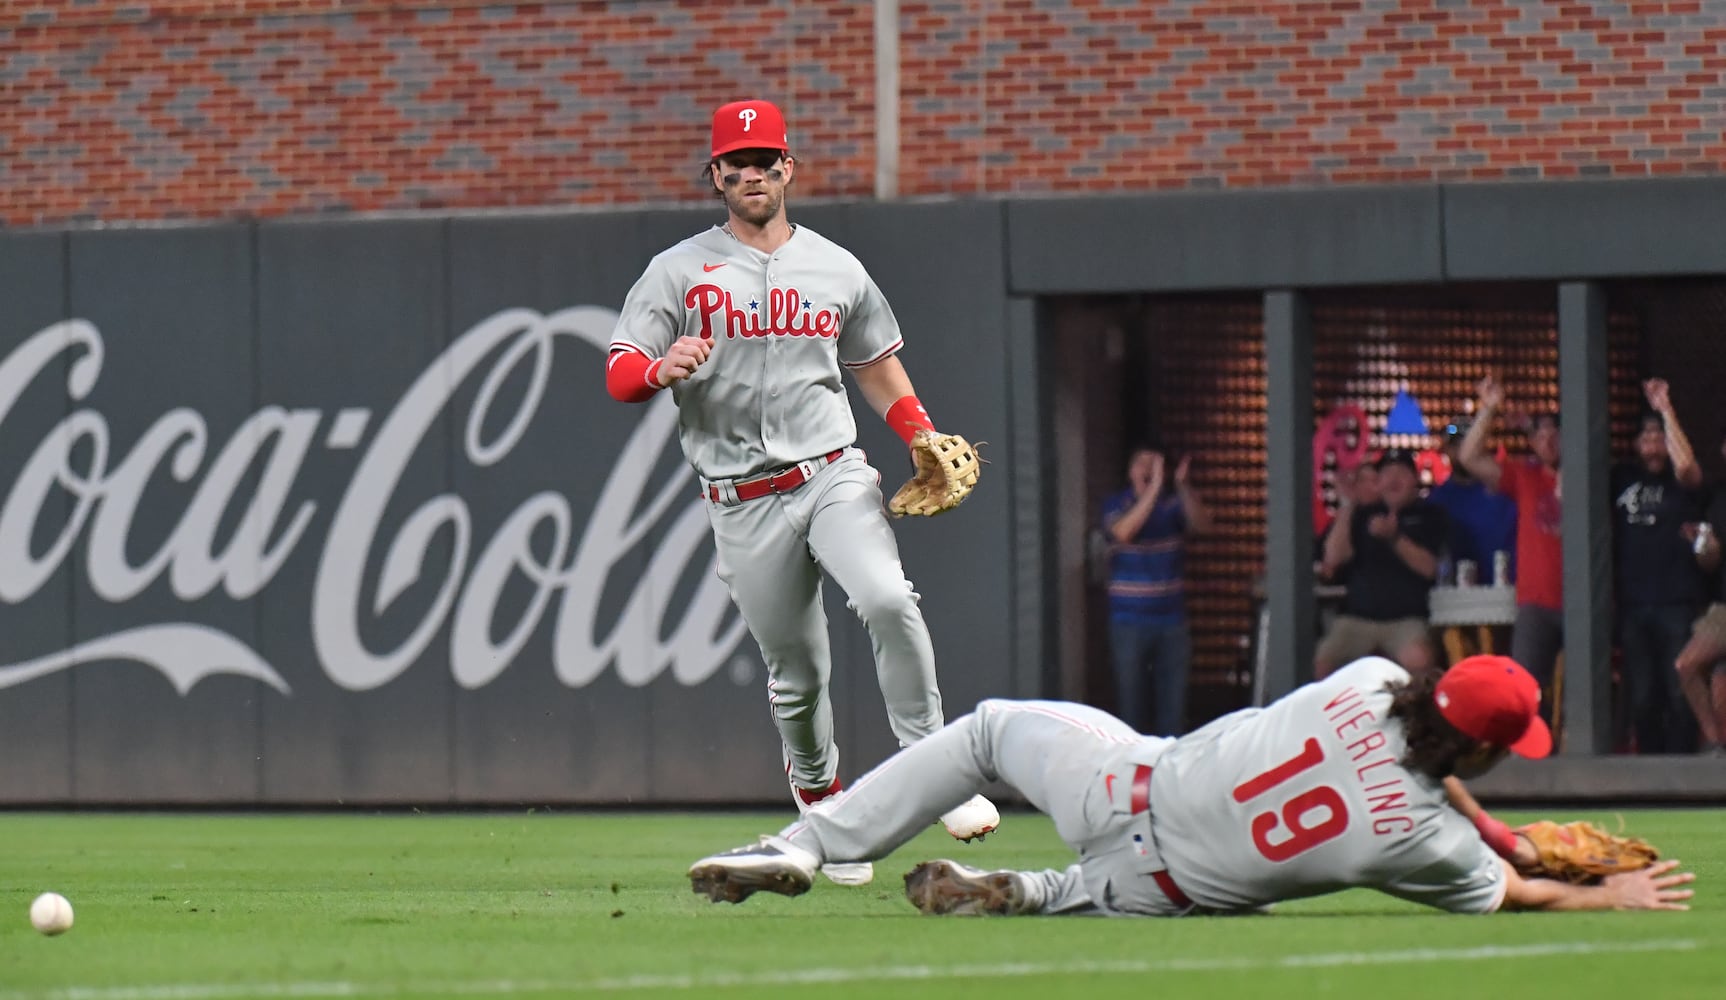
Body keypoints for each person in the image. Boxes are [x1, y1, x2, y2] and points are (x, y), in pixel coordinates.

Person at [604, 98, 997, 885]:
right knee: (797, 673)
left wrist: (917, 429)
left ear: (789, 168)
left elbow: (876, 367)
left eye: (765, 160)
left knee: (889, 598)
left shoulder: (836, 266)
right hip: (741, 496)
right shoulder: (677, 271)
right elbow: (619, 373)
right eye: (736, 163)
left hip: (830, 472)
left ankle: (934, 765)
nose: (752, 173)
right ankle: (821, 801)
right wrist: (656, 370)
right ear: (715, 175)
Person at [687, 654, 1694, 916]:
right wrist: (1595, 887)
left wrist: (1499, 829)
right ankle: (1036, 895)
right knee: (1180, 882)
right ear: (1478, 760)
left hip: (1119, 782)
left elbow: (1425, 735)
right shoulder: (1418, 840)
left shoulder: (1370, 680)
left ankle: (808, 844)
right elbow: (1511, 888)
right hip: (1155, 889)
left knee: (988, 730)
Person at [1458, 375, 1564, 721]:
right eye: (1539, 435)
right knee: (1525, 688)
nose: (1547, 440)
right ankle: (1535, 761)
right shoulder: (1525, 476)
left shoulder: (1592, 476)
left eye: (1554, 433)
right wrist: (1489, 409)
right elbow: (1469, 457)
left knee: (1582, 690)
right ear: (1531, 442)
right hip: (1535, 602)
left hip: (1582, 603)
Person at [1610, 379, 1707, 754]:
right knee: (1644, 695)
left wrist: (1666, 409)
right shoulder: (1621, 478)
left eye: (1657, 433)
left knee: (1677, 691)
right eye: (1645, 433)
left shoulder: (1679, 482)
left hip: (1676, 599)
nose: (1651, 439)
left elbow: (1689, 469)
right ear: (1634, 443)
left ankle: (1679, 770)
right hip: (1634, 602)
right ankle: (1649, 772)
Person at [1099, 447, 1213, 735]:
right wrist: (1152, 491)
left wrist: (1182, 486)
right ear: (1130, 471)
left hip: (1171, 622)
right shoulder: (1116, 504)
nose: (1148, 470)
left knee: (1172, 712)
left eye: (1154, 463)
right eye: (1141, 463)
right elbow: (1123, 532)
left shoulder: (1172, 506)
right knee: (1131, 709)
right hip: (1128, 624)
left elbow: (1203, 526)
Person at [1314, 449, 1447, 678]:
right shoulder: (1362, 516)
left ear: (1416, 480)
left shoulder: (1431, 516)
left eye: (1401, 473)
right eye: (1387, 473)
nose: (1394, 479)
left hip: (1407, 620)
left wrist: (1395, 538)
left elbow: (1431, 569)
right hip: (1357, 620)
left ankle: (1414, 713)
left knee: (1419, 658)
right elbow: (1333, 560)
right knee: (1324, 660)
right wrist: (1347, 505)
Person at [1677, 429, 1726, 754]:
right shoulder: (1718, 496)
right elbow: (1710, 560)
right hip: (1722, 605)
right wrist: (1702, 543)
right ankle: (1713, 744)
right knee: (1688, 667)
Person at [1427, 419, 1518, 584]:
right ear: (1446, 450)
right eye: (1455, 446)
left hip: (1506, 593)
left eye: (1467, 444)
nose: (1461, 452)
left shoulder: (1505, 491)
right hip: (1456, 598)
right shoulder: (1436, 501)